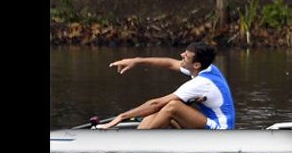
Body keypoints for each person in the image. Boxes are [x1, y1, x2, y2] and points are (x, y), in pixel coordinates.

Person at [99, 41, 236, 130]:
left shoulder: (201, 83)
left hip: (220, 129)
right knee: (162, 110)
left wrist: (121, 117)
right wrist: (137, 61)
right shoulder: (208, 68)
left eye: (186, 56)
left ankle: (137, 140)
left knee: (172, 106)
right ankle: (138, 136)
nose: (181, 55)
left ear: (196, 65)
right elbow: (169, 63)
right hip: (207, 122)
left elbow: (155, 103)